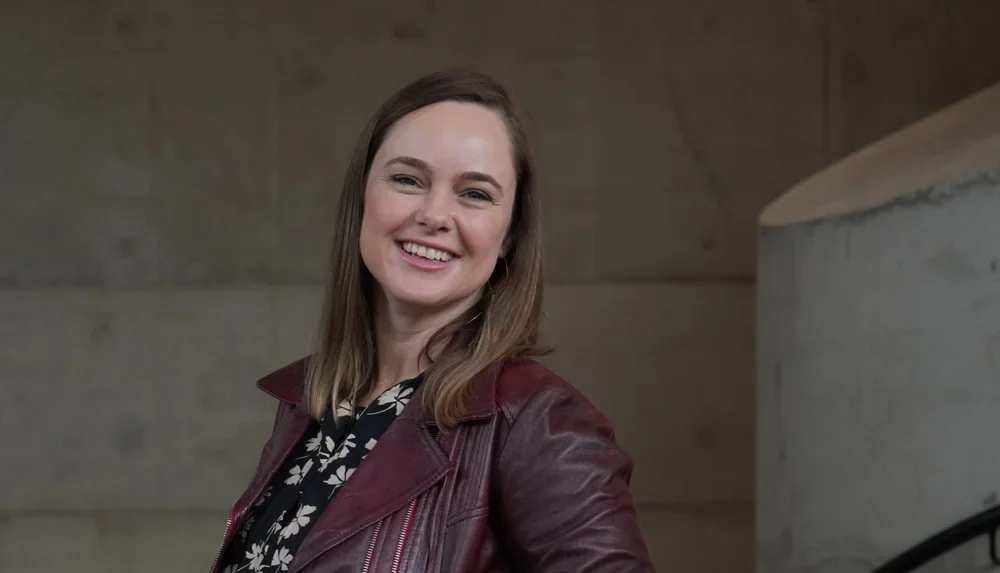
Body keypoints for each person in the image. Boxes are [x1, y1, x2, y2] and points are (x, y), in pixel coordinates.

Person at [212, 69, 654, 573]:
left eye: (475, 193)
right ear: (361, 198)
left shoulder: (539, 423)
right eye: (407, 179)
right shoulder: (315, 403)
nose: (435, 214)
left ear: (508, 236)